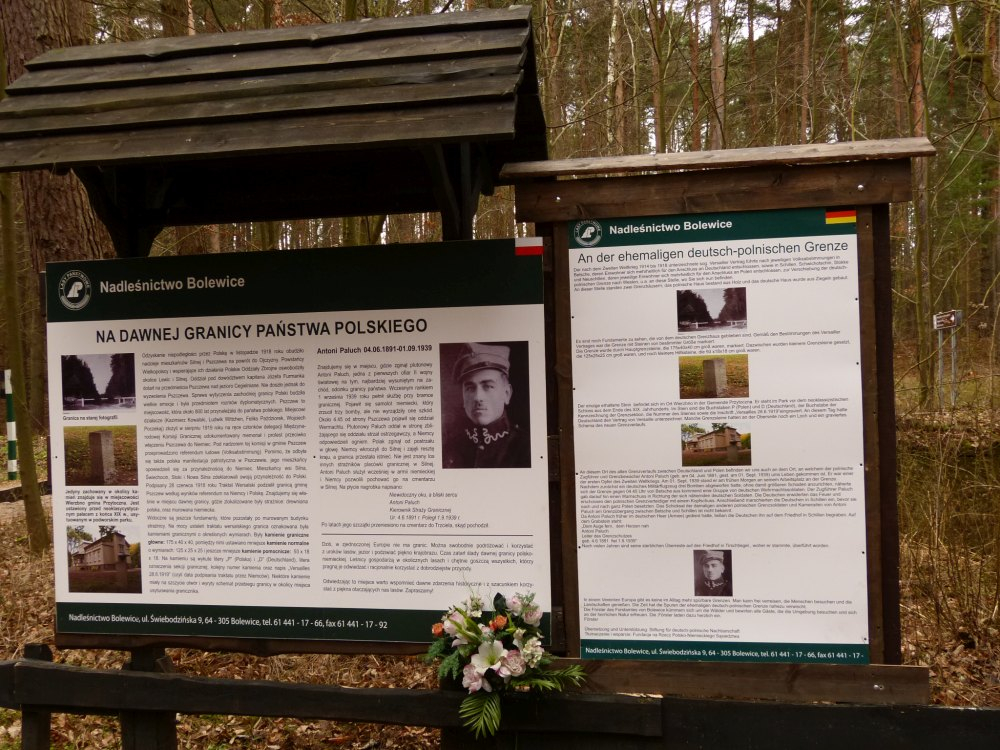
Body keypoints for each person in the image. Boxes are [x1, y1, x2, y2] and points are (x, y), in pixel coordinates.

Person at [442, 343, 530, 469]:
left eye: (488, 386)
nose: (478, 397)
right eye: (470, 388)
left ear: (507, 394)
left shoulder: (526, 448)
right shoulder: (449, 447)